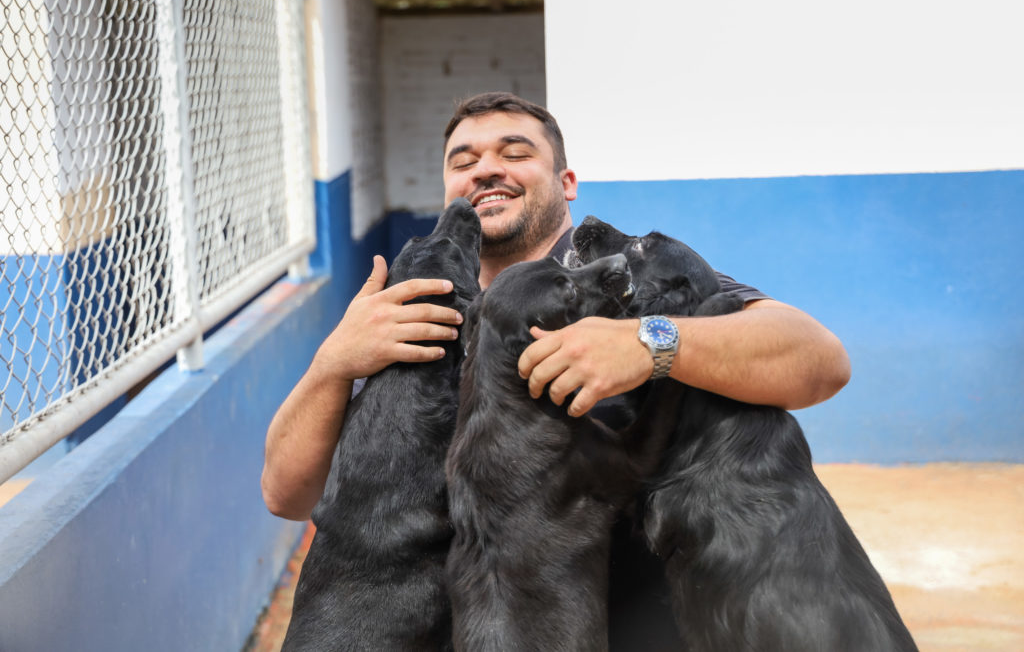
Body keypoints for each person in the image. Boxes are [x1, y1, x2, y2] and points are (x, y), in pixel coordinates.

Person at [262, 91, 850, 521]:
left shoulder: (631, 278)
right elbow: (288, 496)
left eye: (514, 153)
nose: (485, 169)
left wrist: (652, 345)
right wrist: (331, 365)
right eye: (463, 163)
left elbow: (820, 359)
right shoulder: (420, 307)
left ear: (566, 182)